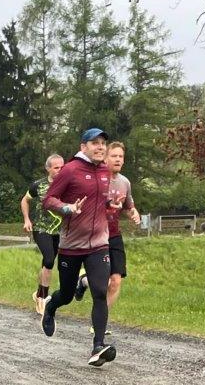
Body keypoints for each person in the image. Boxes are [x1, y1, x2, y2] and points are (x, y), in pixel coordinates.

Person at [41, 128, 115, 367]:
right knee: (66, 295)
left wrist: (110, 203)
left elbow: (98, 199)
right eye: (95, 143)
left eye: (103, 143)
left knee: (100, 291)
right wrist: (68, 208)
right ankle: (51, 305)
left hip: (99, 244)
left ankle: (98, 346)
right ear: (83, 147)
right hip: (72, 245)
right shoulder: (70, 170)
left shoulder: (104, 171)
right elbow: (48, 200)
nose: (100, 147)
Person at [20, 154, 64, 315]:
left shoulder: (67, 185)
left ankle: (39, 293)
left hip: (59, 230)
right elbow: (25, 200)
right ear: (48, 169)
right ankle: (43, 298)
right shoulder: (38, 185)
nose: (60, 170)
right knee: (49, 259)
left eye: (62, 167)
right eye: (56, 167)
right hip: (41, 228)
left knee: (48, 263)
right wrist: (27, 219)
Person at [102, 141, 141, 309]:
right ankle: (83, 281)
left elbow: (128, 206)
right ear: (105, 159)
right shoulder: (97, 179)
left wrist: (134, 213)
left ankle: (102, 319)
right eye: (114, 156)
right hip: (96, 235)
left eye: (121, 156)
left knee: (116, 280)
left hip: (114, 235)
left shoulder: (125, 182)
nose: (118, 159)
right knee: (101, 280)